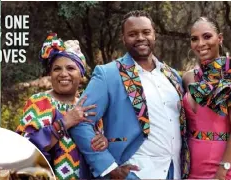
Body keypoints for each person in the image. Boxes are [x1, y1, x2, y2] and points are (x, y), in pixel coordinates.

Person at [68, 10, 189, 179]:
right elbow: (80, 122)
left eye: (146, 32)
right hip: (136, 172)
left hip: (174, 170)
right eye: (132, 34)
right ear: (123, 38)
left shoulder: (172, 76)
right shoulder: (109, 74)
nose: (140, 38)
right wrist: (109, 168)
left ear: (154, 35)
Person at [16, 33, 108, 180]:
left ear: (81, 74)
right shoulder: (40, 102)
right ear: (50, 74)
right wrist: (64, 123)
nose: (63, 74)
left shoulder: (89, 106)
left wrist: (103, 142)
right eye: (57, 69)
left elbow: (97, 149)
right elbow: (24, 150)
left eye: (70, 68)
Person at [182, 17, 231, 180]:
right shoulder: (188, 77)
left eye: (207, 36)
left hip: (223, 168)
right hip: (190, 167)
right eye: (194, 39)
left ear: (220, 38)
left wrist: (223, 169)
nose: (200, 43)